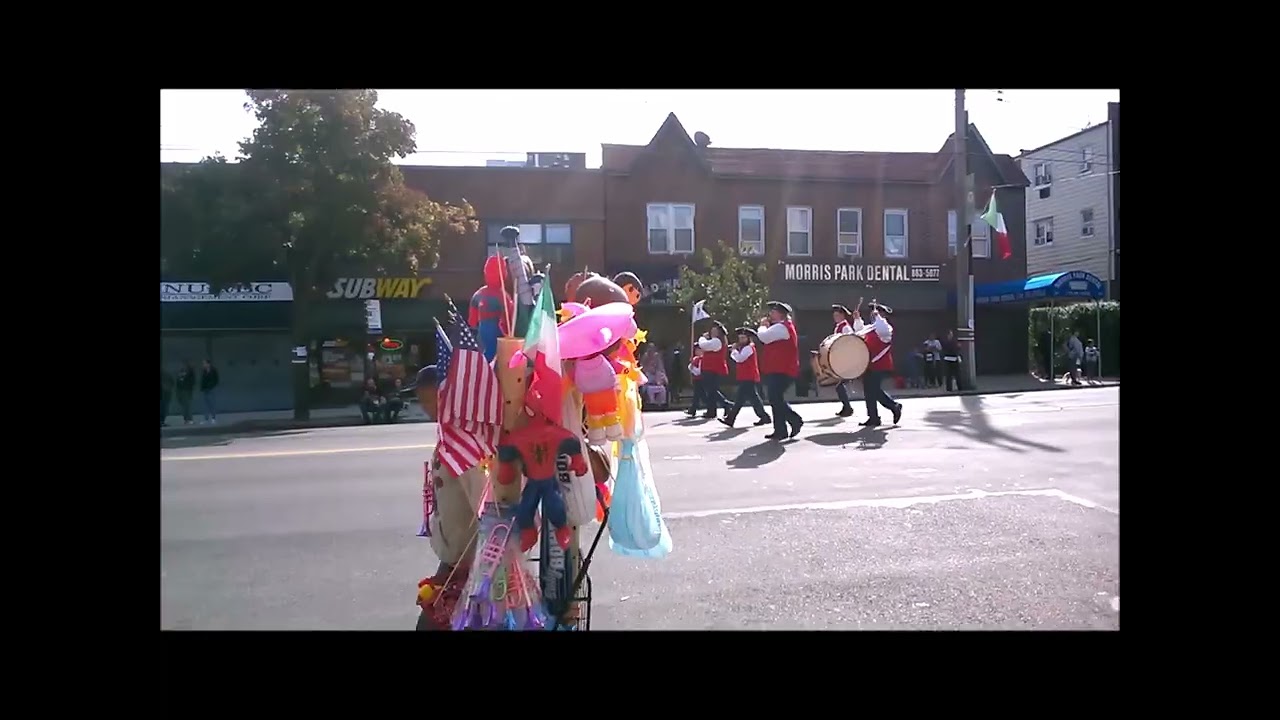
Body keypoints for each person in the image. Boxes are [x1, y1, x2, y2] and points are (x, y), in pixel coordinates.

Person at [400, 365, 490, 627]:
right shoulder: (448, 435)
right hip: (454, 558)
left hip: (465, 561)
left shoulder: (461, 443)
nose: (425, 407)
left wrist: (478, 566)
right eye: (421, 400)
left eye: (428, 399)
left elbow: (482, 505)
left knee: (430, 624)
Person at [757, 300, 804, 440]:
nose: (770, 314)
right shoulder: (780, 327)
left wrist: (762, 326)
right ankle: (780, 430)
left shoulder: (782, 327)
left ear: (780, 314)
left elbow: (763, 337)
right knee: (776, 399)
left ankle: (794, 420)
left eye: (773, 312)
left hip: (782, 370)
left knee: (775, 398)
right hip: (778, 369)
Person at [853, 301, 903, 427]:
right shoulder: (872, 327)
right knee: (869, 391)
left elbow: (883, 328)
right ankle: (873, 417)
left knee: (874, 390)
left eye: (878, 312)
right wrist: (857, 319)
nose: (873, 314)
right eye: (873, 312)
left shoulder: (886, 328)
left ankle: (894, 406)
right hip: (869, 364)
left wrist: (878, 317)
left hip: (880, 364)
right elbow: (859, 331)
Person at [720, 327, 771, 428]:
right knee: (753, 398)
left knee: (740, 399)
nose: (741, 340)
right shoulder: (743, 348)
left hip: (749, 376)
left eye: (743, 338)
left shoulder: (749, 348)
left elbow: (740, 358)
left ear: (748, 338)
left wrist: (733, 350)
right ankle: (764, 417)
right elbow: (737, 358)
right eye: (740, 338)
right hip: (744, 376)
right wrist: (734, 350)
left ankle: (731, 418)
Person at [695, 322, 732, 419]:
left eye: (715, 331)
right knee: (711, 390)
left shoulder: (717, 341)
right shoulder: (715, 341)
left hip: (713, 368)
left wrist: (702, 337)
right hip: (709, 368)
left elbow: (703, 345)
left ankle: (724, 405)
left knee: (711, 390)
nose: (712, 332)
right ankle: (714, 409)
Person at [831, 304, 857, 417]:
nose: (835, 316)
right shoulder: (839, 326)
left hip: (846, 360)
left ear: (842, 315)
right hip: (841, 359)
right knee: (839, 384)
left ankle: (847, 407)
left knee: (839, 384)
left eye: (837, 314)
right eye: (834, 315)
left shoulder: (845, 327)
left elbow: (850, 341)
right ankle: (846, 406)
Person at [685, 348, 705, 417]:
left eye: (699, 350)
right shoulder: (696, 359)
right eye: (696, 350)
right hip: (696, 379)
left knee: (698, 395)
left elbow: (699, 372)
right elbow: (690, 367)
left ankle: (693, 409)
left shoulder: (702, 360)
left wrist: (692, 368)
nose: (697, 352)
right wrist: (691, 365)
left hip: (701, 379)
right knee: (699, 395)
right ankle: (693, 409)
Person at [199, 359, 220, 424]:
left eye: (204, 363)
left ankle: (213, 418)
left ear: (208, 364)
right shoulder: (204, 371)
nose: (203, 365)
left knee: (212, 404)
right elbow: (202, 380)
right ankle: (206, 419)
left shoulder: (213, 370)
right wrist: (202, 388)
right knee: (205, 405)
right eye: (203, 364)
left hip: (211, 389)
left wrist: (212, 386)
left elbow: (216, 379)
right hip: (205, 389)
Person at [175, 361, 196, 425]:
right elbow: (178, 383)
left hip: (186, 391)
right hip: (183, 391)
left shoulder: (189, 374)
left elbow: (192, 381)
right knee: (185, 406)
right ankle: (187, 419)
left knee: (186, 406)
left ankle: (188, 419)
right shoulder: (183, 375)